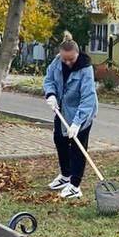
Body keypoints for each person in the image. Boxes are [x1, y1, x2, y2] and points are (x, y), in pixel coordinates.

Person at [43, 32, 98, 200]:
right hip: (62, 110)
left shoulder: (85, 69)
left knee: (77, 148)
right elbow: (49, 80)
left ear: (77, 54)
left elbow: (88, 98)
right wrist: (51, 94)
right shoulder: (56, 62)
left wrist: (77, 123)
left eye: (71, 59)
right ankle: (65, 175)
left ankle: (75, 185)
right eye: (64, 59)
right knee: (59, 140)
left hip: (83, 112)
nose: (67, 62)